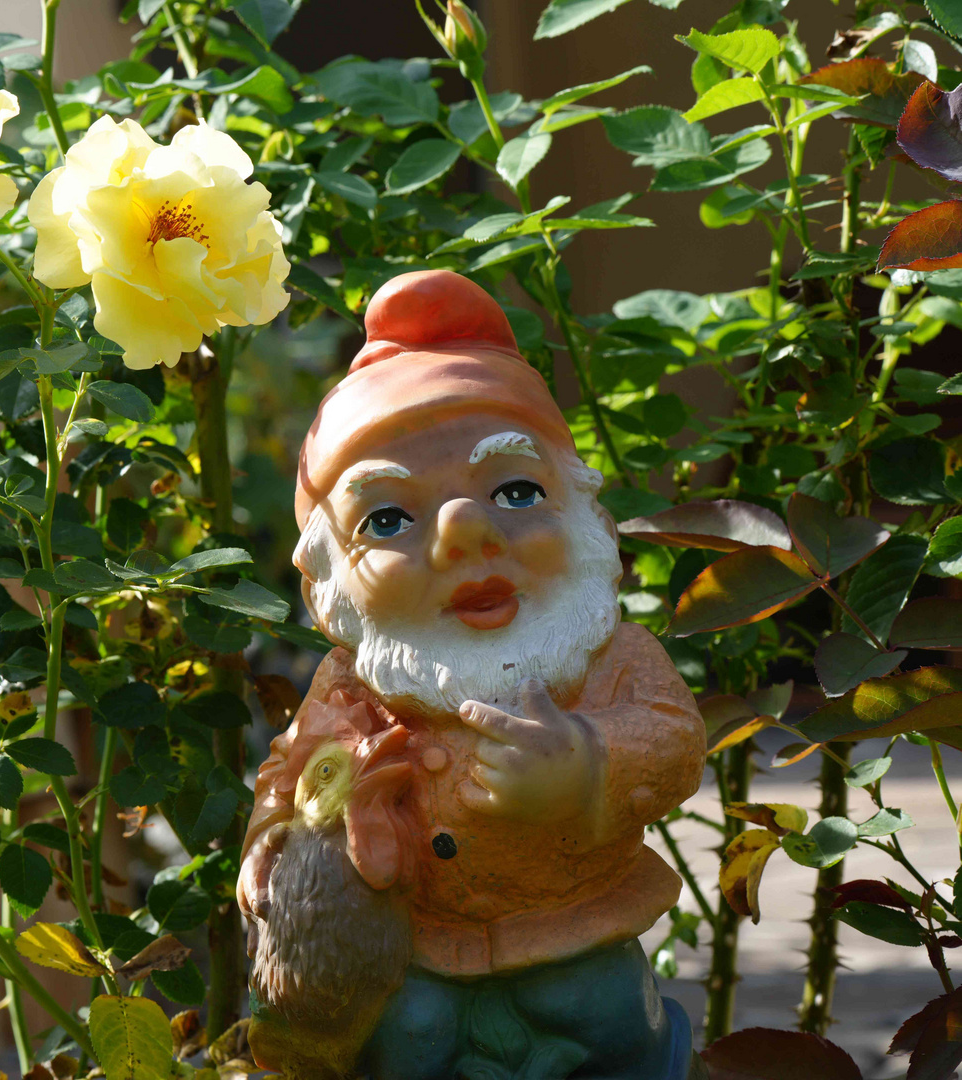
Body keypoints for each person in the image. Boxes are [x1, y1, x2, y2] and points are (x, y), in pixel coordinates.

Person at [240, 270, 704, 1080]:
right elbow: (288, 770)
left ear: (584, 516)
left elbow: (671, 740)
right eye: (389, 518)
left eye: (516, 490)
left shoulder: (611, 660)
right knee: (410, 1041)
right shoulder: (350, 687)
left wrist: (588, 764)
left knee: (615, 1026)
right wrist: (272, 841)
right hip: (418, 952)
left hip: (578, 930)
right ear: (327, 578)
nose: (466, 534)